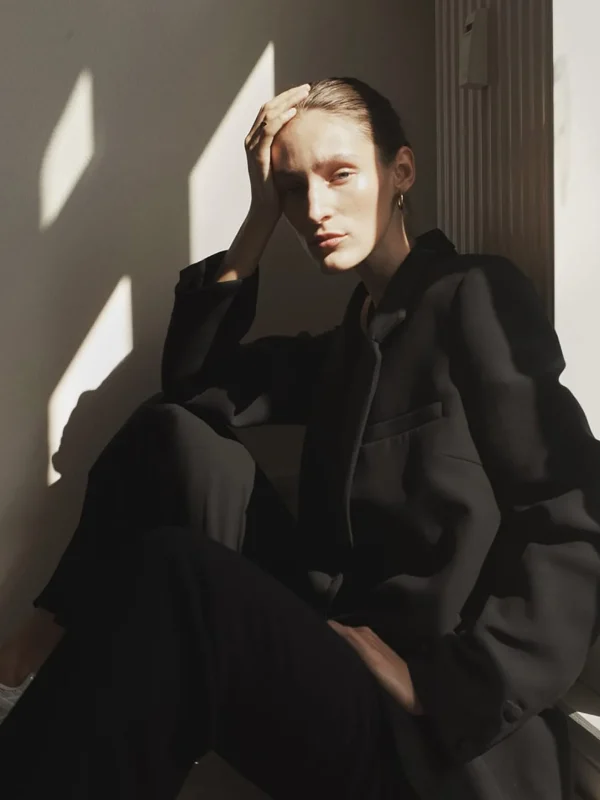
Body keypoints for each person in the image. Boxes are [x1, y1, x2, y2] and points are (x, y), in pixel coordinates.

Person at [0, 76, 598, 800]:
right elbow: (193, 383)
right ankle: (32, 654)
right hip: (334, 644)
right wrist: (257, 217)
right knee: (169, 433)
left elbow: (569, 514)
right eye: (292, 189)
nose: (313, 209)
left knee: (175, 574)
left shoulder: (473, 294)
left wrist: (443, 688)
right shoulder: (350, 344)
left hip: (427, 729)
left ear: (401, 171)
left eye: (339, 174)